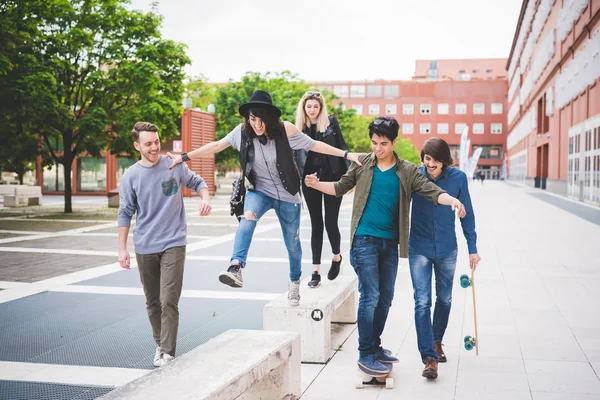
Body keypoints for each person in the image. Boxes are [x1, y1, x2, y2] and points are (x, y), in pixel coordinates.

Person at [305, 117, 466, 378]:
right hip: (365, 240)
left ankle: (375, 346)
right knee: (371, 296)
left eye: (382, 143)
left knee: (386, 298)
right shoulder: (362, 163)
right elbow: (338, 188)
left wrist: (453, 201)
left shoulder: (407, 170)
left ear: (393, 143)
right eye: (373, 143)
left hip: (390, 243)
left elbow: (432, 190)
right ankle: (365, 352)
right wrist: (315, 184)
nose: (377, 148)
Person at [167, 90, 361, 307]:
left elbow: (314, 145)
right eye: (253, 119)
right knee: (247, 218)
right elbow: (216, 146)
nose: (257, 125)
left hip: (288, 194)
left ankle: (294, 282)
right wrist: (183, 157)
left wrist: (346, 155)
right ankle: (236, 266)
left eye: (262, 120)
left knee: (293, 245)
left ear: (270, 117)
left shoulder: (286, 130)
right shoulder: (241, 133)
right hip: (259, 191)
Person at [118, 122, 212, 367]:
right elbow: (125, 212)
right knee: (153, 301)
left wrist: (205, 198)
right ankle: (160, 344)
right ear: (137, 145)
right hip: (145, 245)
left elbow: (198, 183)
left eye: (157, 142)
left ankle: (168, 352)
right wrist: (122, 248)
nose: (154, 147)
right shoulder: (131, 176)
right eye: (148, 143)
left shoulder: (174, 165)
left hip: (174, 241)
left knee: (168, 299)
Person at [409, 137, 481, 380]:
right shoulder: (415, 175)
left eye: (435, 160)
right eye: (427, 159)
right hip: (419, 247)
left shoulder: (457, 178)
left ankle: (437, 341)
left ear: (445, 161)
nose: (430, 164)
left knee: (445, 299)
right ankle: (429, 357)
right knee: (422, 302)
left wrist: (473, 247)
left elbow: (466, 214)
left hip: (448, 249)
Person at [294, 91, 349, 288]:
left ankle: (336, 257)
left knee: (331, 222)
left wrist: (349, 178)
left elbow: (342, 147)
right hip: (310, 181)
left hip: (333, 178)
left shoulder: (331, 123)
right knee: (316, 224)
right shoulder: (298, 129)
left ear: (321, 108)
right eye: (308, 106)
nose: (312, 110)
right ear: (303, 108)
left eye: (315, 106)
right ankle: (315, 271)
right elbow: (294, 158)